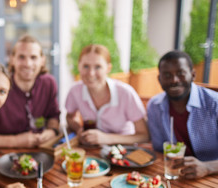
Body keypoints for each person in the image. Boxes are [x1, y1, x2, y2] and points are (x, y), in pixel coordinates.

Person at [147, 50, 218, 179]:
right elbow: (158, 150)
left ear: (193, 74)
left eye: (181, 73)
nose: (174, 80)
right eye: (167, 75)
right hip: (174, 177)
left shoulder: (214, 104)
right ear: (159, 79)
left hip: (212, 178)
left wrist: (208, 167)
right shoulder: (154, 106)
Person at [65, 44, 149, 145]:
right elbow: (69, 117)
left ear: (108, 68)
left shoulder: (126, 93)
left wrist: (106, 138)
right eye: (86, 66)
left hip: (124, 151)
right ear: (79, 66)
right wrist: (79, 129)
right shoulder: (75, 91)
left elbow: (144, 136)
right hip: (92, 149)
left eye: (98, 67)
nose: (91, 73)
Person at [0, 35, 60, 148]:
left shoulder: (49, 83)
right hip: (2, 154)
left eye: (33, 57)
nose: (28, 64)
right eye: (21, 57)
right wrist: (15, 141)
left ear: (42, 60)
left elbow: (53, 115)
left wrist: (52, 131)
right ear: (12, 59)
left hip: (39, 151)